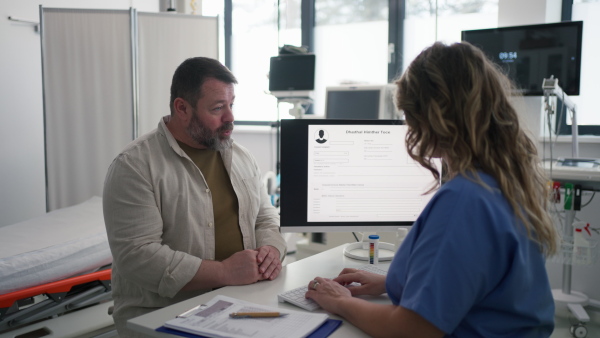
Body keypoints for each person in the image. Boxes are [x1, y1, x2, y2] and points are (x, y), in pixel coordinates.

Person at [305, 41, 558, 338]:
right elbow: (477, 282)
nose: (407, 127)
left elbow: (414, 330)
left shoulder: (464, 200)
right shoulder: (506, 182)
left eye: (408, 114)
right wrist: (392, 284)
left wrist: (340, 302)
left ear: (432, 116)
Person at [103, 57, 286, 337]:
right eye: (217, 108)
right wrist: (224, 272)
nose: (230, 118)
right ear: (182, 108)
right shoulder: (134, 166)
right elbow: (137, 256)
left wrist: (272, 249)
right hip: (164, 315)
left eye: (231, 105)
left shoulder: (239, 156)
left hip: (240, 302)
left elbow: (265, 215)